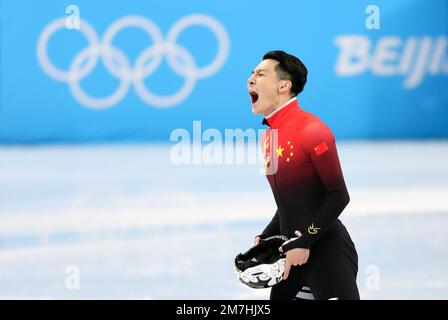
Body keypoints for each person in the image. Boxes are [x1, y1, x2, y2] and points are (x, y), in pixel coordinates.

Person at [248, 50, 360, 300]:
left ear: (283, 86)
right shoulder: (269, 138)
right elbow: (291, 202)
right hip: (291, 255)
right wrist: (266, 235)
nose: (251, 79)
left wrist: (305, 241)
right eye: (252, 73)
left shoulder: (312, 131)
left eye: (261, 74)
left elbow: (338, 195)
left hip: (328, 254)